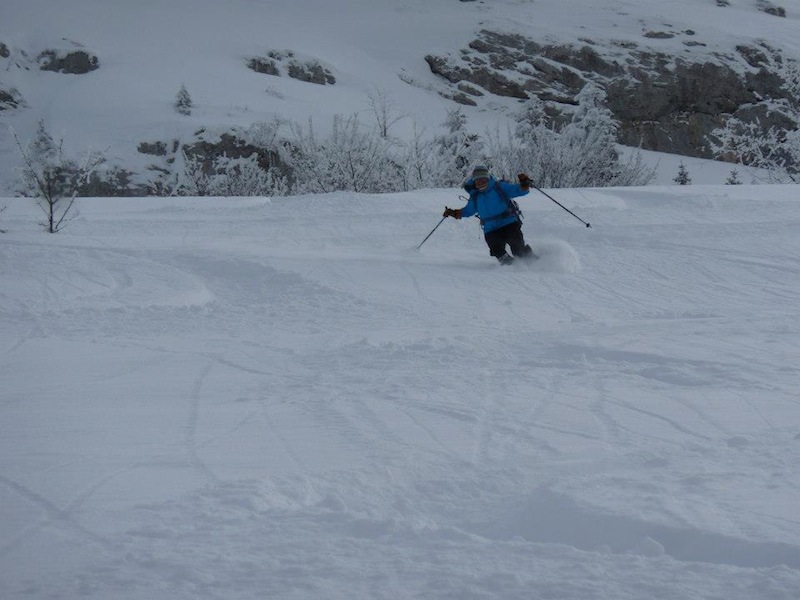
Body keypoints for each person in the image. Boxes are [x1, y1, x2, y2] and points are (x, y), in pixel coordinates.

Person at [443, 165, 535, 264]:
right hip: (490, 229)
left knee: (518, 249)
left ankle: (534, 262)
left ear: (487, 178)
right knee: (496, 250)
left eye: (483, 180)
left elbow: (517, 190)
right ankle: (511, 266)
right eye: (477, 181)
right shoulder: (475, 195)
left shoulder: (499, 187)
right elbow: (468, 210)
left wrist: (524, 185)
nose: (480, 183)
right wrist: (454, 213)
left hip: (509, 223)